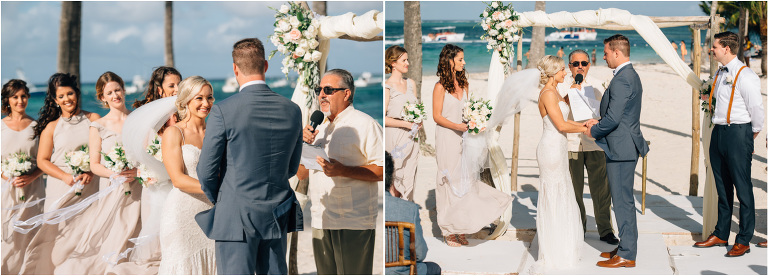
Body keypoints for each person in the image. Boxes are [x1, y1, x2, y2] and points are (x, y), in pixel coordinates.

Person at [196, 38, 303, 275]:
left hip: (235, 214)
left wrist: (222, 199)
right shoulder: (293, 110)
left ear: (235, 68)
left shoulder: (223, 110)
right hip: (277, 211)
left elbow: (205, 171)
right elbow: (291, 168)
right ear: (265, 66)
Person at [54, 72, 143, 274]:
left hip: (140, 189)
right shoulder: (98, 126)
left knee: (137, 237)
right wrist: (115, 174)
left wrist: (138, 171)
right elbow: (94, 165)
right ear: (102, 98)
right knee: (116, 237)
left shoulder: (138, 119)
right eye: (109, 92)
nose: (115, 95)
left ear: (124, 90)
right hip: (114, 190)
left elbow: (149, 152)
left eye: (117, 90)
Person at [298, 68, 383, 275]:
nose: (321, 95)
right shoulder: (317, 127)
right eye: (319, 90)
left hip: (353, 220)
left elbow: (382, 170)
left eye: (328, 89)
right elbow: (301, 174)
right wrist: (300, 144)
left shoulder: (365, 124)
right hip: (321, 217)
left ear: (347, 93)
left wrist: (342, 170)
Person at [19, 73, 101, 274]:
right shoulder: (51, 126)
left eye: (70, 94)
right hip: (61, 188)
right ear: (55, 100)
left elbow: (102, 151)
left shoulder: (94, 119)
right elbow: (42, 161)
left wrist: (91, 170)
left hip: (91, 187)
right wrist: (65, 177)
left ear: (77, 93)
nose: (67, 99)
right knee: (60, 239)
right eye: (62, 96)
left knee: (88, 237)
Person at [431, 44, 511, 247]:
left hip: (466, 138)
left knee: (465, 181)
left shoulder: (465, 84)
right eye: (460, 59)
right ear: (449, 61)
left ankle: (460, 226)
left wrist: (476, 121)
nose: (464, 62)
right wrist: (457, 126)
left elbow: (469, 110)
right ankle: (448, 230)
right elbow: (437, 116)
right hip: (447, 137)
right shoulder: (439, 87)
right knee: (448, 180)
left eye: (464, 59)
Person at [693, 31, 763, 257]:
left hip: (738, 132)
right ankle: (721, 232)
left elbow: (756, 110)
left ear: (726, 49)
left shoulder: (745, 75)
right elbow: (719, 99)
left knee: (743, 188)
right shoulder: (720, 73)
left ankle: (744, 239)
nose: (711, 50)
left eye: (714, 47)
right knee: (721, 186)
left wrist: (748, 135)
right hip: (719, 132)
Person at [585, 34, 649, 268]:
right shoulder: (628, 75)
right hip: (622, 145)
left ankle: (628, 254)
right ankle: (624, 245)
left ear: (617, 53)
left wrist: (594, 130)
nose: (603, 56)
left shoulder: (623, 79)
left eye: (605, 52)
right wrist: (598, 123)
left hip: (621, 148)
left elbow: (613, 119)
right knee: (622, 199)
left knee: (622, 202)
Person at [529, 55, 586, 273]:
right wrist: (585, 129)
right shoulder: (547, 94)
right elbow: (561, 125)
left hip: (559, 148)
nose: (567, 72)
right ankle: (553, 251)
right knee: (553, 195)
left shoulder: (555, 93)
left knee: (562, 193)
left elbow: (564, 118)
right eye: (563, 69)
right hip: (551, 149)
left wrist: (585, 122)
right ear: (553, 73)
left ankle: (562, 245)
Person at [558, 50, 618, 245]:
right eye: (576, 64)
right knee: (574, 190)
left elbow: (607, 113)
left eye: (584, 63)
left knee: (601, 189)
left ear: (589, 65)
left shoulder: (599, 84)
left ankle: (605, 230)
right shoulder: (561, 85)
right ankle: (578, 227)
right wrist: (572, 90)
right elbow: (558, 110)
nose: (580, 67)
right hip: (571, 144)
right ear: (569, 66)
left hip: (595, 144)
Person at [157, 76, 216, 274]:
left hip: (213, 213)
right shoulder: (174, 133)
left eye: (209, 98)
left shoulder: (216, 132)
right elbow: (178, 179)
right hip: (182, 214)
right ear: (186, 100)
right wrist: (219, 190)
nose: (205, 104)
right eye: (199, 98)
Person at [1, 80, 45, 275]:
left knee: (30, 236)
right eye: (15, 97)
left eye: (23, 96)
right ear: (7, 100)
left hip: (33, 190)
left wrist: (30, 177)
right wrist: (6, 176)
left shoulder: (36, 127)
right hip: (5, 190)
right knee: (8, 237)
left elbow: (44, 161)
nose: (20, 101)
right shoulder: (1, 127)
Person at [384, 152, 441, 275]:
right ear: (390, 178)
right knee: (434, 268)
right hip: (401, 272)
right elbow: (420, 253)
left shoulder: (358, 210)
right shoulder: (409, 209)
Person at [384, 45, 421, 201]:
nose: (408, 63)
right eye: (404, 60)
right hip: (396, 138)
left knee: (410, 174)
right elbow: (384, 118)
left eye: (408, 60)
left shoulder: (411, 83)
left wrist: (419, 121)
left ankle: (408, 210)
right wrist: (406, 125)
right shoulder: (387, 87)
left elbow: (418, 109)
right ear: (393, 63)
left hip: (413, 137)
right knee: (396, 175)